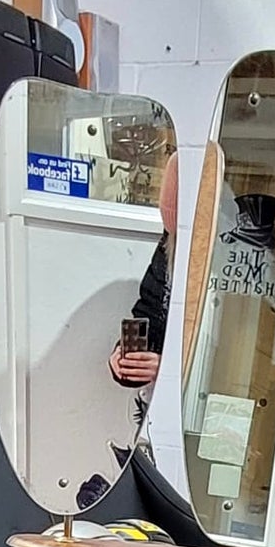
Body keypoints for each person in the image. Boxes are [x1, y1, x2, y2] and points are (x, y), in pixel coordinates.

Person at [108, 150, 177, 389]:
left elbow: (222, 353)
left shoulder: (217, 261)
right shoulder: (169, 245)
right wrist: (125, 358)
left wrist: (168, 367)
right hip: (164, 398)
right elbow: (148, 312)